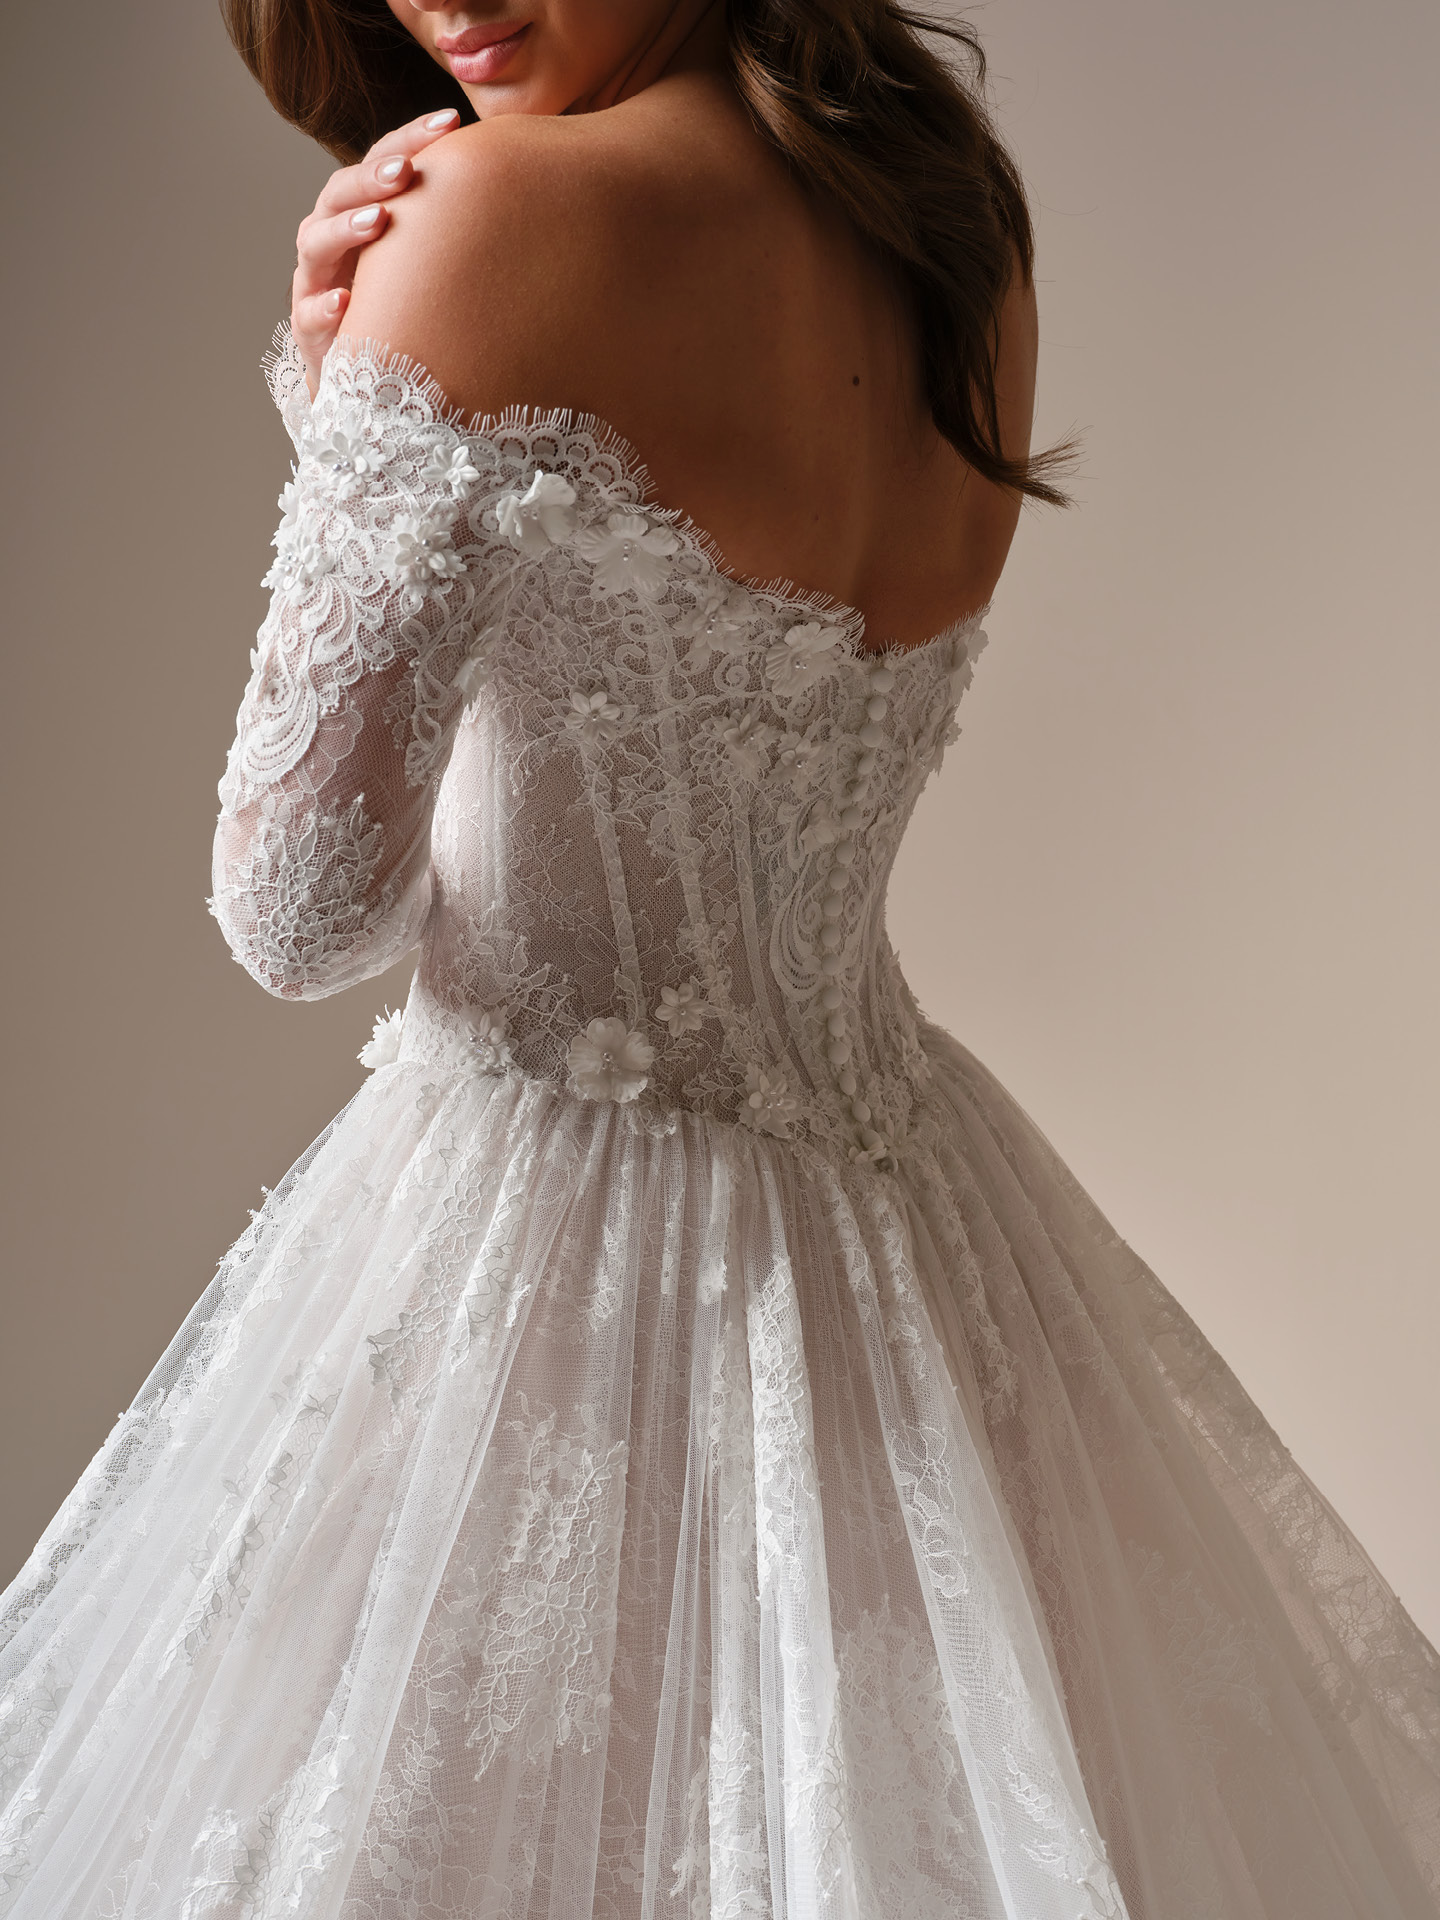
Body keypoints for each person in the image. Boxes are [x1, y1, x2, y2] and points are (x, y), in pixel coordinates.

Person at [0, 2, 1436, 1915]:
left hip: (533, 1264)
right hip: (921, 1238)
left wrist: (340, 392)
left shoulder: (486, 217)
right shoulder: (957, 231)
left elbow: (298, 914)